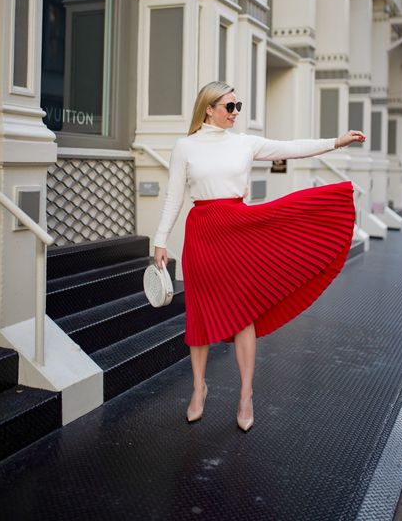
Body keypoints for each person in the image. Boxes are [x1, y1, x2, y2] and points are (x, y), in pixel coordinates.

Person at [154, 81, 365, 431]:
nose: (236, 113)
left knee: (242, 314)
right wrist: (160, 240)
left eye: (238, 106)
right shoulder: (185, 147)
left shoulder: (244, 143)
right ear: (209, 108)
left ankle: (246, 395)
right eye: (229, 106)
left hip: (238, 231)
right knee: (201, 315)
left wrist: (335, 141)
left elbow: (292, 148)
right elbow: (174, 197)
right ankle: (198, 388)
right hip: (203, 235)